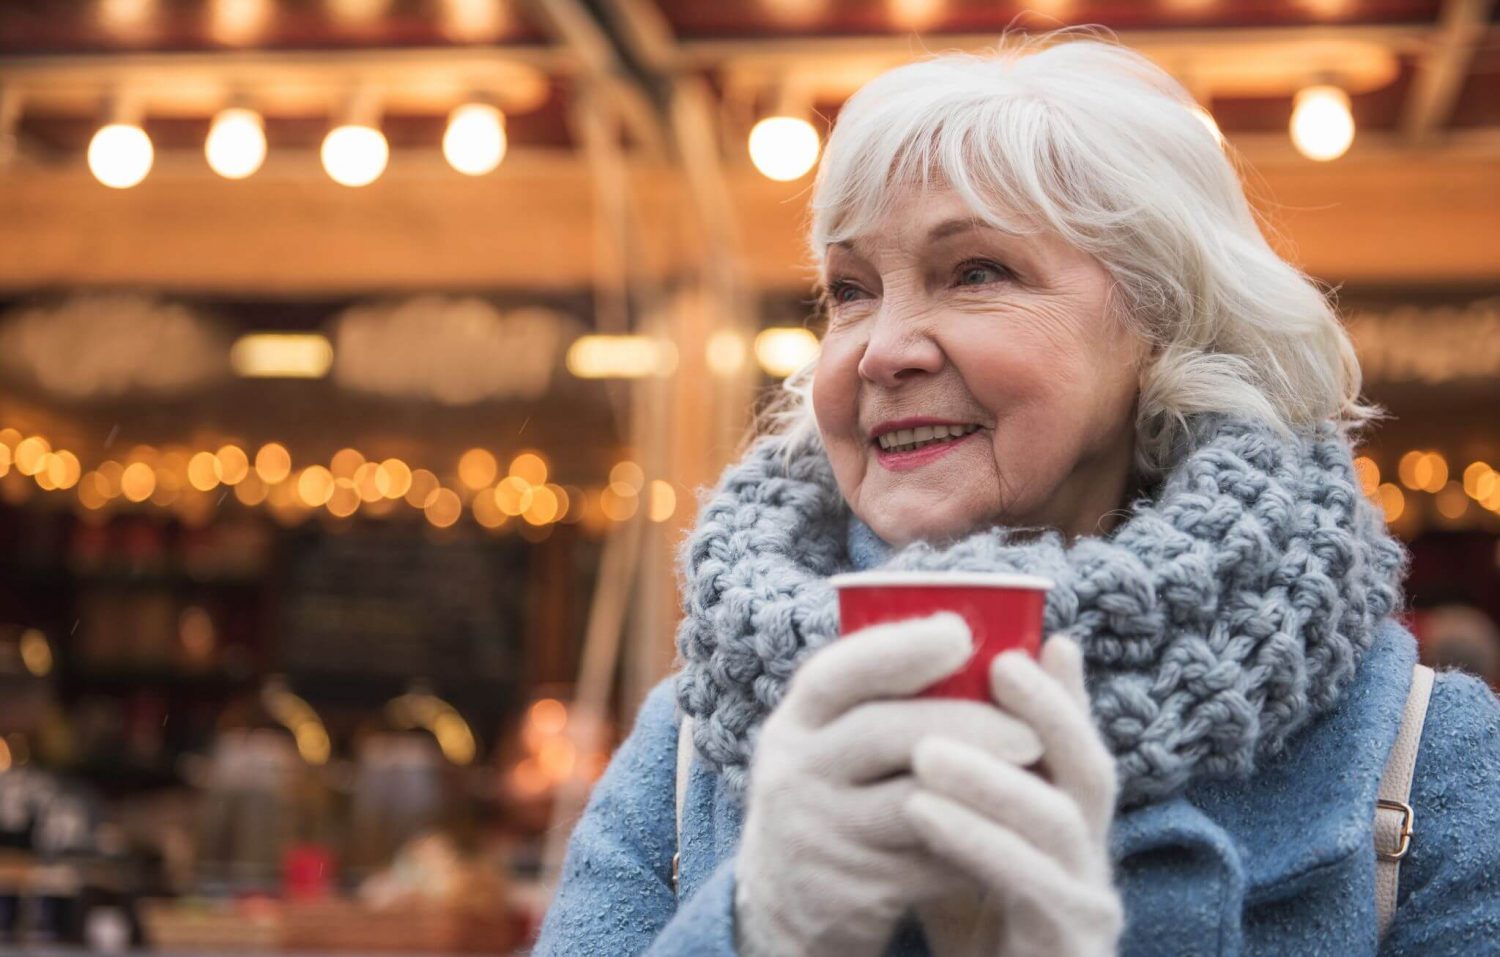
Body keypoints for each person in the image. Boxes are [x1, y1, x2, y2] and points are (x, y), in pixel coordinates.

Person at [535, 28, 1500, 956]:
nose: (881, 349)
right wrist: (756, 930)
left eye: (977, 271)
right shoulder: (685, 746)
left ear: (1164, 322)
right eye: (850, 289)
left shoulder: (1425, 753)